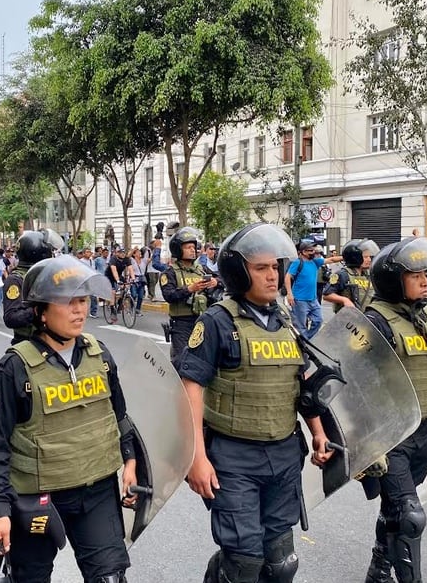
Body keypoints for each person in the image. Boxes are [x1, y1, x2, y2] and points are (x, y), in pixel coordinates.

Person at [178, 222, 334, 583]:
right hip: (233, 458)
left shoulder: (285, 320)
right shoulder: (217, 321)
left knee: (281, 562)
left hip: (284, 453)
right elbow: (191, 388)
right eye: (261, 268)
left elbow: (300, 381)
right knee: (243, 561)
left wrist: (318, 431)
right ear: (238, 272)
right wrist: (196, 458)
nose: (272, 275)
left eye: (275, 267)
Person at [0, 255, 136, 583]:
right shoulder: (14, 368)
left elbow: (119, 415)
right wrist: (0, 512)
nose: (79, 310)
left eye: (83, 300)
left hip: (97, 491)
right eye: (67, 302)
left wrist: (131, 462)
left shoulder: (100, 355)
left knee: (110, 578)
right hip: (38, 499)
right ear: (41, 311)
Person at [359, 237, 427, 583]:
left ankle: (379, 567)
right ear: (394, 280)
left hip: (420, 434)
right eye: (415, 275)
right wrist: (368, 446)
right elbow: (355, 387)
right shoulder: (374, 322)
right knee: (410, 517)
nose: (425, 281)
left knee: (395, 510)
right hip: (389, 437)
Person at [161, 228, 218, 366]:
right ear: (178, 250)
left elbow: (223, 279)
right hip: (181, 324)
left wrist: (215, 282)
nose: (193, 250)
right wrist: (190, 289)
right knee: (182, 361)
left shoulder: (201, 270)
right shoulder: (169, 273)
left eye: (193, 247)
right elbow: (169, 295)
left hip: (202, 321)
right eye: (188, 247)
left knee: (205, 360)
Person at [3, 229, 64, 345]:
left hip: (51, 339)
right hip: (28, 342)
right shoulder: (16, 280)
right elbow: (11, 318)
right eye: (50, 251)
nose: (52, 255)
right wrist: (38, 310)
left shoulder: (46, 275)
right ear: (38, 253)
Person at [284, 240, 342, 340]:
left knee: (318, 321)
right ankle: (304, 343)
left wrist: (346, 257)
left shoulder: (315, 262)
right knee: (300, 326)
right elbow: (287, 277)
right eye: (310, 250)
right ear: (303, 252)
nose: (313, 252)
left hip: (313, 299)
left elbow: (332, 260)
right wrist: (289, 294)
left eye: (314, 250)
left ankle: (306, 340)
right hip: (299, 300)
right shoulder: (298, 262)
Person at [323, 239, 380, 312]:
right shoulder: (342, 275)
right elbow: (326, 295)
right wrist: (345, 300)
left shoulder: (369, 275)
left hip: (366, 315)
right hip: (349, 316)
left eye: (369, 256)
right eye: (365, 257)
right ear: (355, 258)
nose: (369, 260)